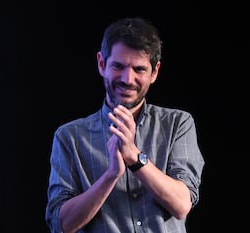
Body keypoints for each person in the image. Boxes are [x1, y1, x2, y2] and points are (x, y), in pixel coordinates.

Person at [45, 17, 205, 233]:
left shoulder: (178, 124)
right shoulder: (70, 137)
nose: (128, 79)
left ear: (154, 72)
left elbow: (182, 205)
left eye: (139, 69)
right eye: (118, 66)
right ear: (102, 64)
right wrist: (110, 175)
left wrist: (133, 156)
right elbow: (61, 224)